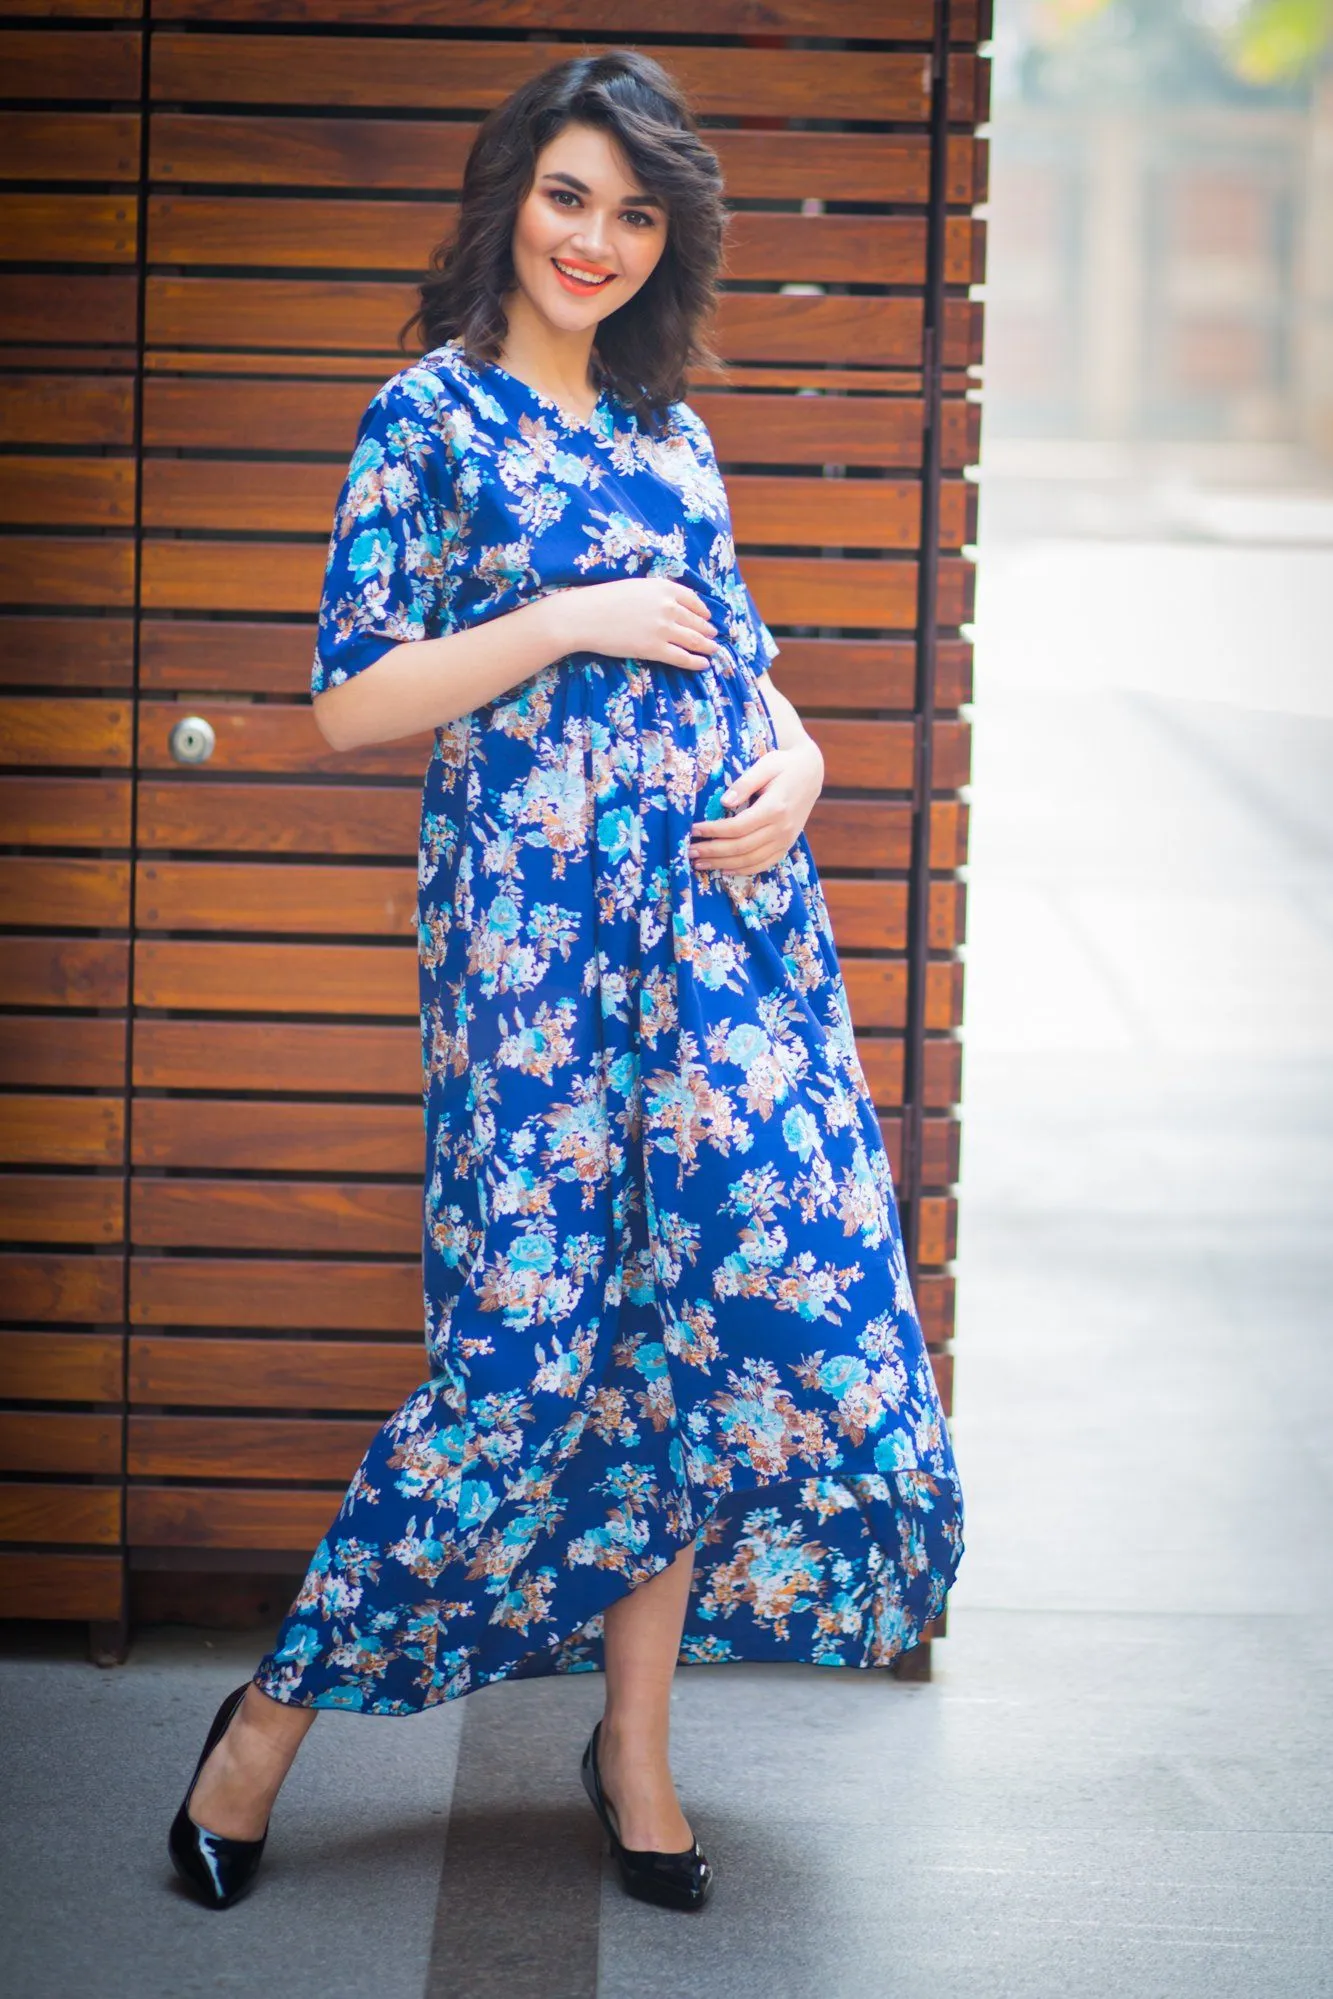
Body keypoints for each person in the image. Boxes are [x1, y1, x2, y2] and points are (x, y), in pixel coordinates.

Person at [167, 47, 964, 1918]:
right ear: (509, 198)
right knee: (520, 1365)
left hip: (722, 962)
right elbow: (355, 697)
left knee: (704, 1336)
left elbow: (744, 675)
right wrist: (564, 618)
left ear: (664, 240)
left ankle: (639, 1747)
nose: (593, 238)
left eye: (631, 211)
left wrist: (811, 767)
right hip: (528, 964)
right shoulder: (429, 420)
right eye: (566, 195)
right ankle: (262, 1729)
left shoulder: (673, 438)